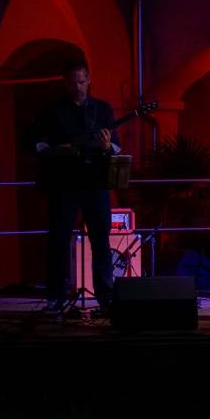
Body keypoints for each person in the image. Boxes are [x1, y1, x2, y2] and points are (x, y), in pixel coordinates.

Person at [27, 60, 121, 317]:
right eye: (72, 83)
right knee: (58, 240)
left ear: (89, 80)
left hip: (95, 184)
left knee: (101, 241)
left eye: (81, 82)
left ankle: (106, 297)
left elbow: (115, 147)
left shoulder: (102, 109)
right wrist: (51, 150)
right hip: (63, 184)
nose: (78, 87)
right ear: (65, 83)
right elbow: (31, 140)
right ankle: (55, 297)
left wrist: (106, 147)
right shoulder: (53, 110)